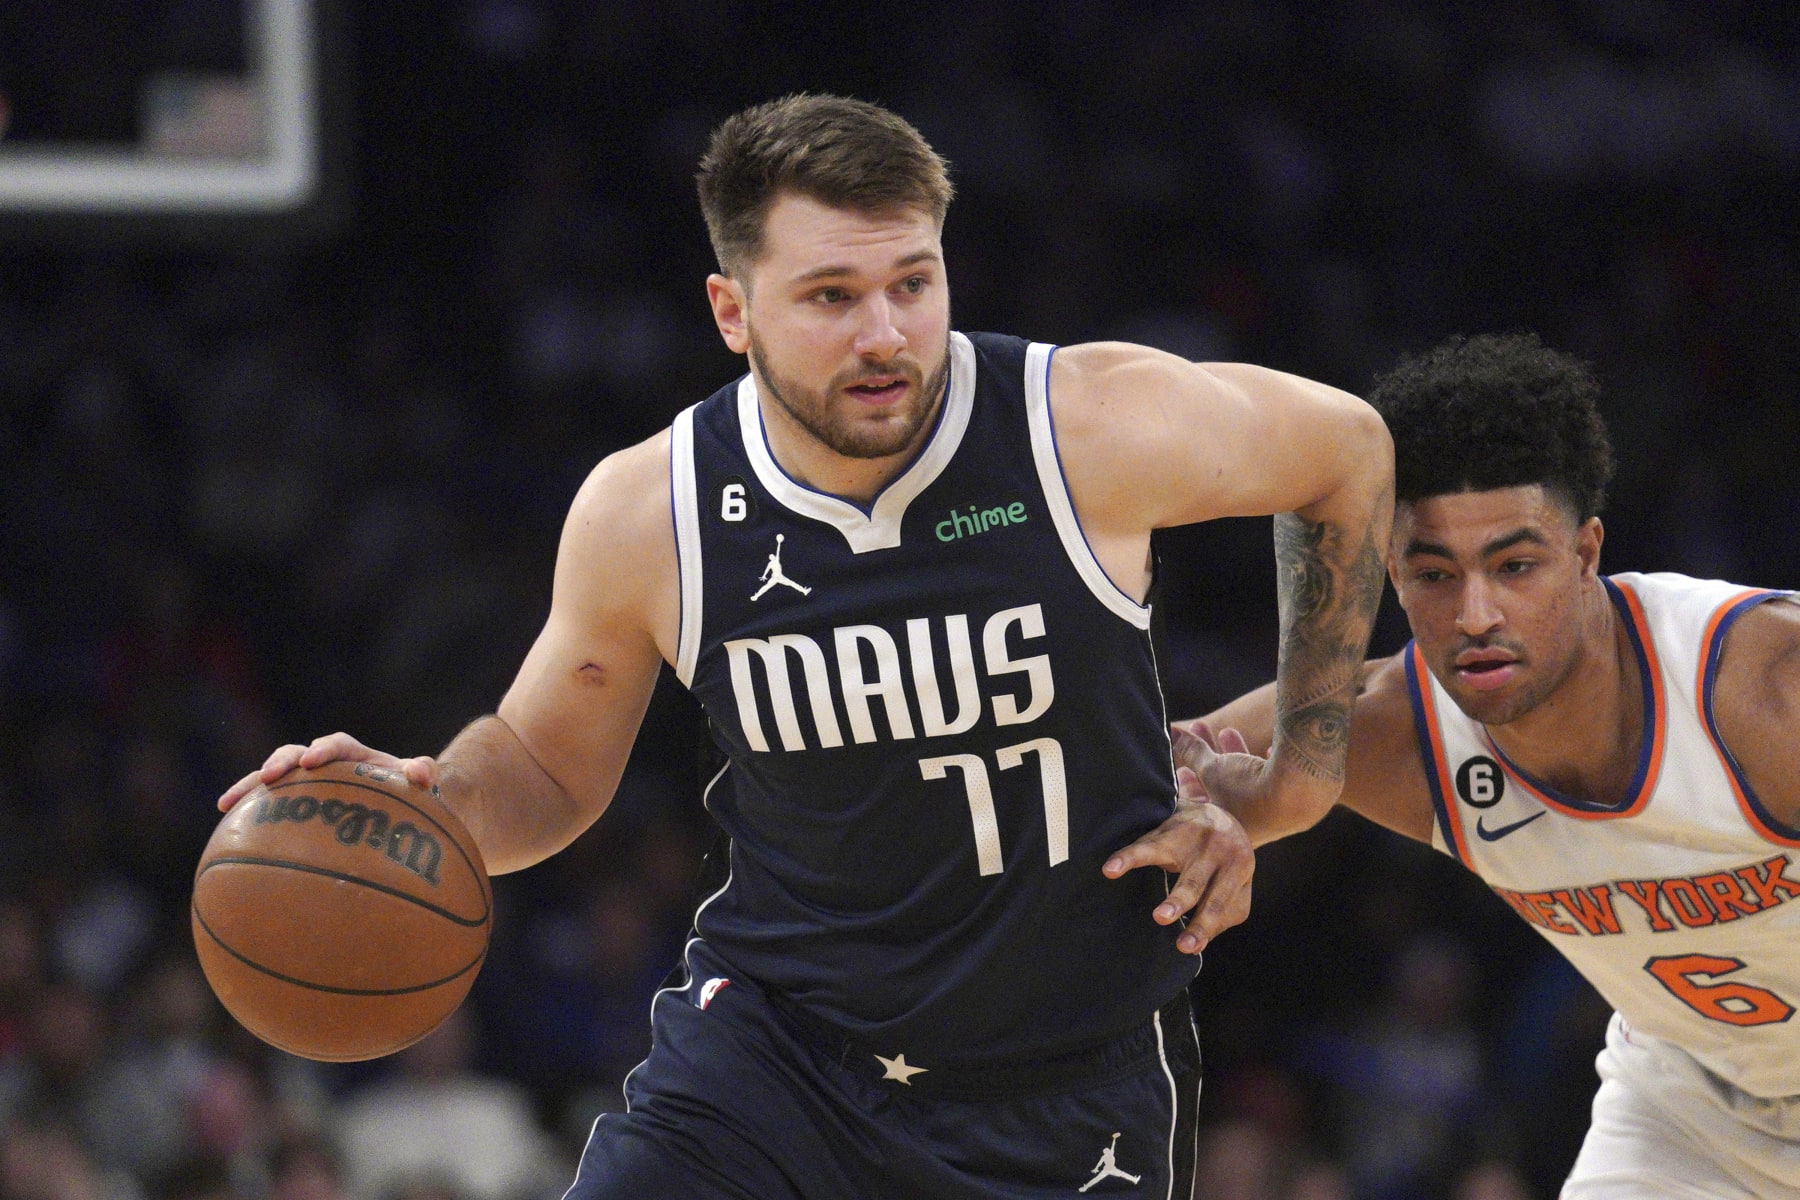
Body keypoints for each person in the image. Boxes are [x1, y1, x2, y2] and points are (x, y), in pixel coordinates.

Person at [220, 93, 1393, 1199]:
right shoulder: (653, 509)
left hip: (1065, 1081)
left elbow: (1348, 451)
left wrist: (1298, 776)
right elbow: (540, 768)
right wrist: (423, 801)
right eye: (831, 296)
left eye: (911, 283)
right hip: (772, 1058)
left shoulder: (1082, 429)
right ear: (733, 311)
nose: (885, 334)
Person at [1127, 332, 1800, 1198]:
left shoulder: (1761, 693)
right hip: (1693, 1109)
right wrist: (1205, 813)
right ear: (1392, 581)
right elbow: (1141, 774)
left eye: (1515, 566)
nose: (1476, 614)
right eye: (1435, 574)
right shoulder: (1391, 735)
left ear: (1588, 553)